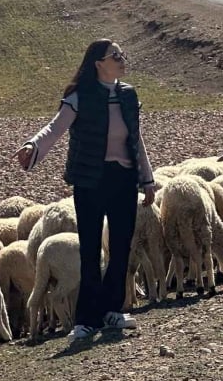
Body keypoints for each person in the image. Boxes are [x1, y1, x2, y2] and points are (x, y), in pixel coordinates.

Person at [15, 38, 157, 340]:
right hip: (90, 180)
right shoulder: (80, 97)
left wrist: (148, 180)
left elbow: (136, 140)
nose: (121, 59)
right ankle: (86, 319)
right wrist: (33, 146)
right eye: (114, 55)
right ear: (98, 64)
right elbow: (54, 128)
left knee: (120, 247)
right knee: (90, 249)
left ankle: (113, 311)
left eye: (121, 54)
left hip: (123, 178)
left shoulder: (128, 97)